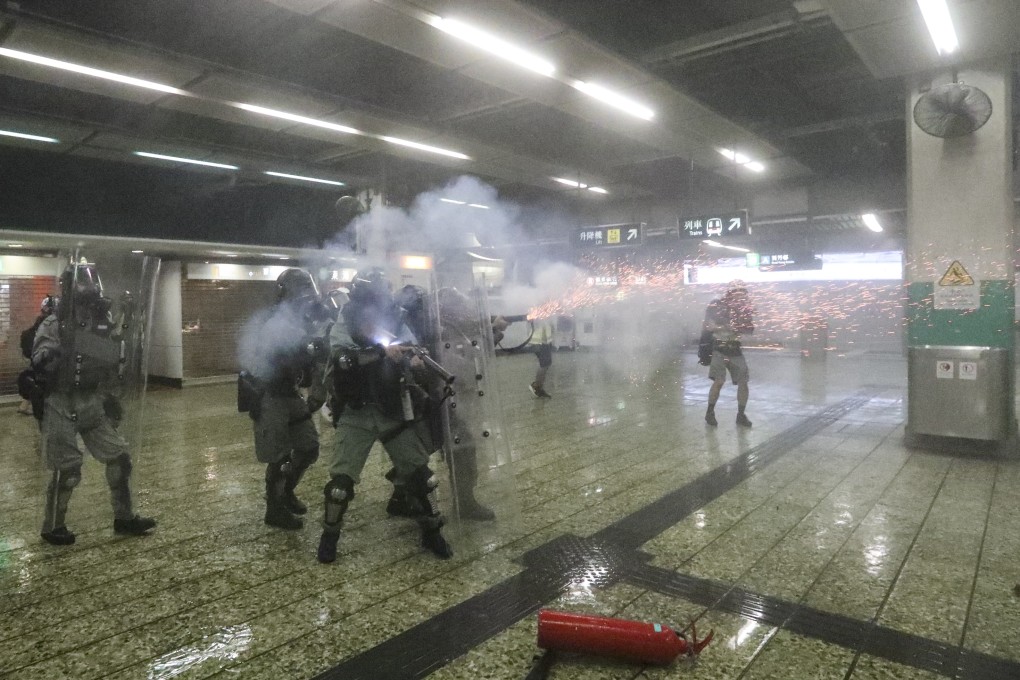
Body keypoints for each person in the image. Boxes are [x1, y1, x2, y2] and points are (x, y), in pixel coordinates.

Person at [317, 268, 453, 563]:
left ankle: (432, 532)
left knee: (422, 478)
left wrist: (415, 360)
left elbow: (410, 348)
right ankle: (329, 536)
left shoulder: (395, 317)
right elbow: (342, 358)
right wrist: (380, 353)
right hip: (356, 411)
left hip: (392, 408)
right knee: (340, 487)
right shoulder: (346, 318)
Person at [33, 262, 155, 545]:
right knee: (67, 470)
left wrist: (127, 320)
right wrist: (60, 351)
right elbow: (39, 359)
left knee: (120, 458)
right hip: (60, 401)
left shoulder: (102, 321)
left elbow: (117, 352)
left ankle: (124, 517)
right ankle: (53, 525)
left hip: (90, 399)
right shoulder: (54, 324)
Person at [389, 285, 503, 522]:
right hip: (419, 401)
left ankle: (462, 502)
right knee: (418, 453)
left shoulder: (437, 328)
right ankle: (406, 497)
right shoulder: (412, 331)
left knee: (457, 447)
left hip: (438, 398)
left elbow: (465, 351)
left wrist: (493, 331)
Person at [239, 268, 329, 531]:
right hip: (268, 394)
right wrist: (309, 346)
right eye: (299, 291)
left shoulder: (300, 320)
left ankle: (286, 491)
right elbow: (283, 349)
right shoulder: (273, 321)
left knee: (308, 447)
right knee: (278, 456)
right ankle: (274, 508)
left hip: (289, 392)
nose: (304, 297)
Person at [703, 281, 755, 428]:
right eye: (738, 293)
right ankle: (710, 412)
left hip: (735, 349)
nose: (741, 296)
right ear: (730, 294)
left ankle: (741, 415)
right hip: (719, 348)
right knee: (719, 381)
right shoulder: (717, 306)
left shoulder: (744, 309)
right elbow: (709, 326)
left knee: (743, 382)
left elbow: (750, 329)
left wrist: (742, 327)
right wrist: (726, 326)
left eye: (743, 293)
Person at [17, 296, 57, 417]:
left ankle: (24, 406)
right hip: (41, 359)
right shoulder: (49, 322)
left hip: (36, 357)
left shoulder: (42, 321)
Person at [529, 316, 554, 398]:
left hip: (544, 341)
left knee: (546, 364)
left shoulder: (547, 309)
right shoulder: (540, 310)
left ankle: (539, 387)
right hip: (540, 342)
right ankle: (536, 386)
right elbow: (539, 323)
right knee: (544, 364)